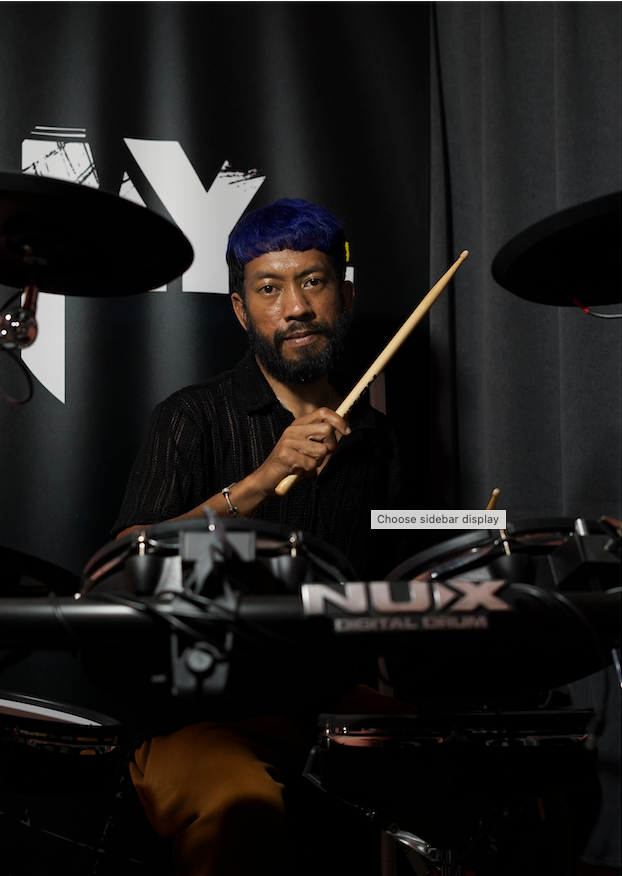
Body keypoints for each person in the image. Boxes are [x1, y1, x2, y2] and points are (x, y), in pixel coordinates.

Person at [111, 199, 410, 875]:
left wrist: (482, 534)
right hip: (194, 709)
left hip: (326, 702)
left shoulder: (376, 438)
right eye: (269, 288)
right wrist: (260, 479)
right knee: (239, 802)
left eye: (313, 281)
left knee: (493, 770)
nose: (295, 307)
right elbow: (127, 563)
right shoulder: (192, 416)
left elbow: (395, 573)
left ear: (345, 296)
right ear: (242, 311)